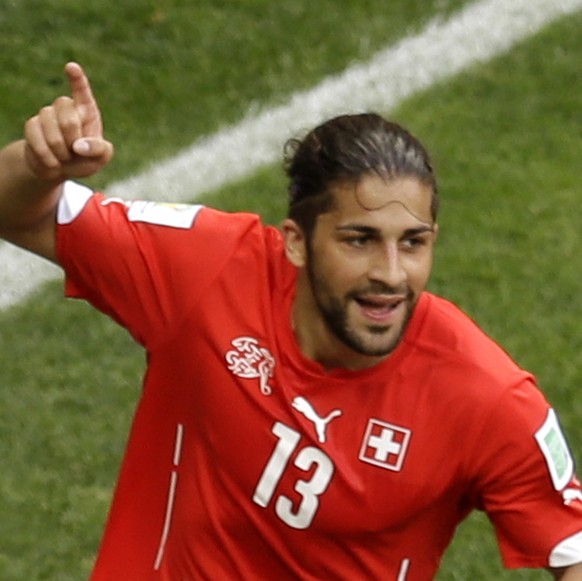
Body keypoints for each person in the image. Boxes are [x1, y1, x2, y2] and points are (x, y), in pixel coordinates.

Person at [0, 63, 581, 581]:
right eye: (360, 240)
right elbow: (20, 210)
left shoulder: (482, 396)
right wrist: (39, 165)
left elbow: (571, 550)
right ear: (297, 244)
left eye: (413, 243)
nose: (391, 273)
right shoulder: (207, 269)